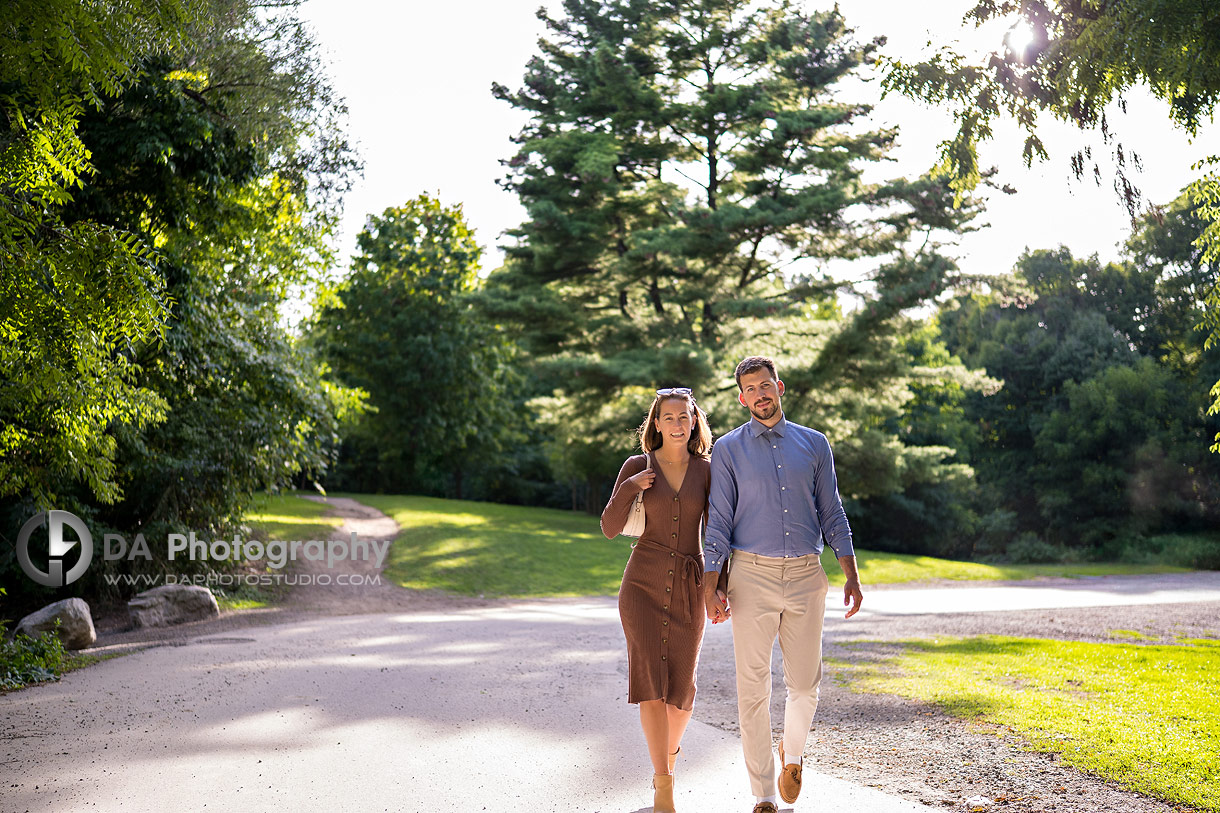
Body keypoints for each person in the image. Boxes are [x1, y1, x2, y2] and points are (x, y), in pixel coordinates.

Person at [701, 356, 863, 813]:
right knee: (753, 688)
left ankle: (792, 756)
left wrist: (850, 572)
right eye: (749, 389)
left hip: (807, 576)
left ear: (780, 387)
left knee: (806, 684)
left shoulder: (814, 444)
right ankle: (763, 794)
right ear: (741, 397)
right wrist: (710, 586)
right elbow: (719, 526)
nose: (759, 394)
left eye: (765, 385)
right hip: (750, 577)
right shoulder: (729, 450)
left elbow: (832, 512)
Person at [601, 387, 714, 813]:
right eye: (669, 417)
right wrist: (631, 486)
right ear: (656, 423)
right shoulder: (637, 466)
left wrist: (717, 585)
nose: (678, 424)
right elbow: (609, 527)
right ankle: (663, 787)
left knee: (682, 693)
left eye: (684, 417)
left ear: (694, 421)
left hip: (689, 582)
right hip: (642, 586)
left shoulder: (708, 470)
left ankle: (665, 761)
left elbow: (718, 532)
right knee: (651, 686)